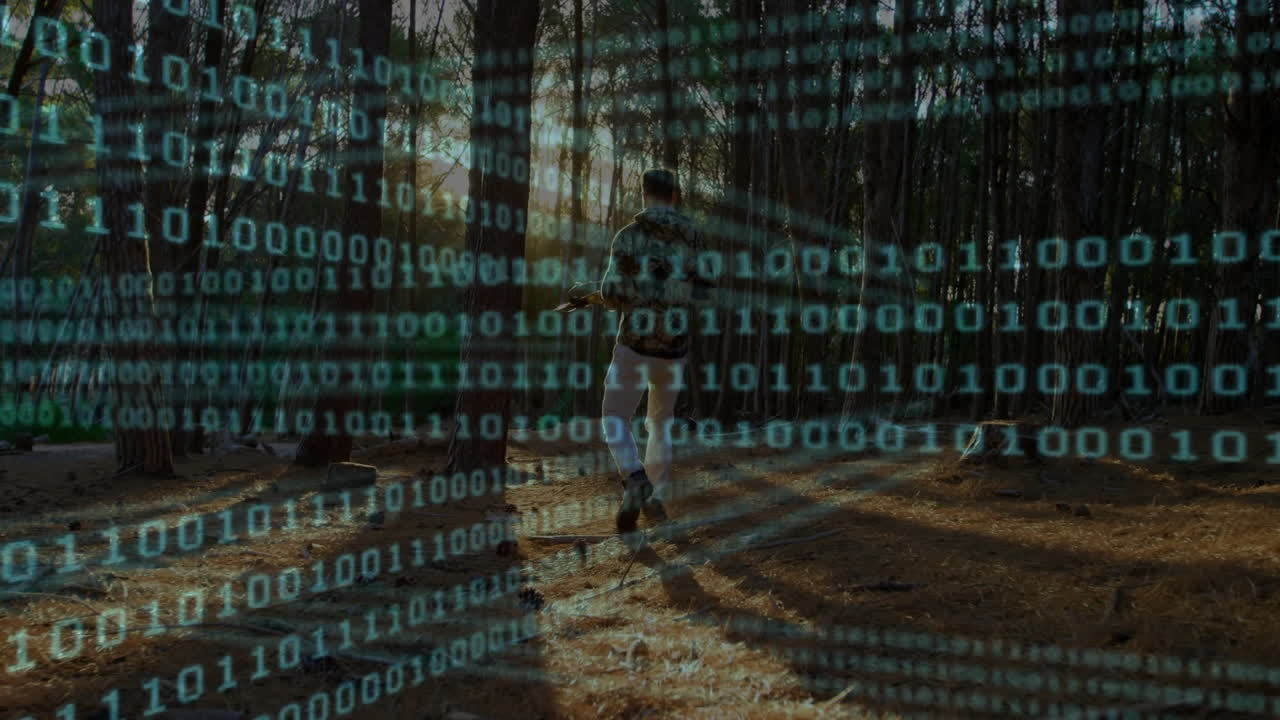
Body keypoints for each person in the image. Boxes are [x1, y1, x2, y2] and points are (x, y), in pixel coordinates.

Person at [570, 168, 713, 537]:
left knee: (614, 414)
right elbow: (704, 289)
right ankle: (653, 497)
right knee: (660, 422)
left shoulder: (628, 236)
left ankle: (635, 477)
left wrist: (595, 295)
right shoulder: (694, 235)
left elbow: (615, 294)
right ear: (676, 196)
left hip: (635, 343)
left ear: (644, 195)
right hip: (674, 347)